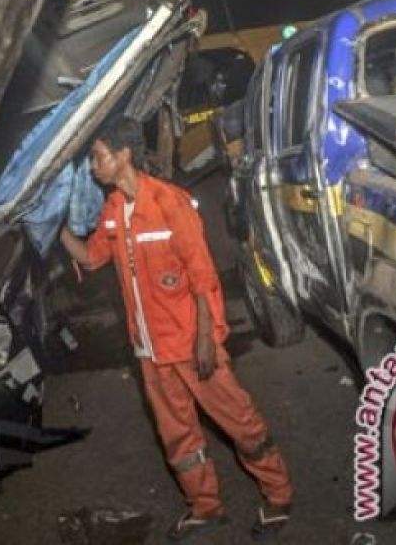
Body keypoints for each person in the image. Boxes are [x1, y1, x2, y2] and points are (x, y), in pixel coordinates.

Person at [59, 118, 292, 540]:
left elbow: (203, 276)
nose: (92, 167)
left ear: (123, 155)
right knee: (177, 437)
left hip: (189, 343)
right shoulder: (113, 211)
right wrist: (50, 227)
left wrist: (207, 337)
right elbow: (92, 259)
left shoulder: (169, 203)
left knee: (238, 420)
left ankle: (278, 494)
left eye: (98, 157)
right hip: (149, 350)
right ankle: (205, 506)